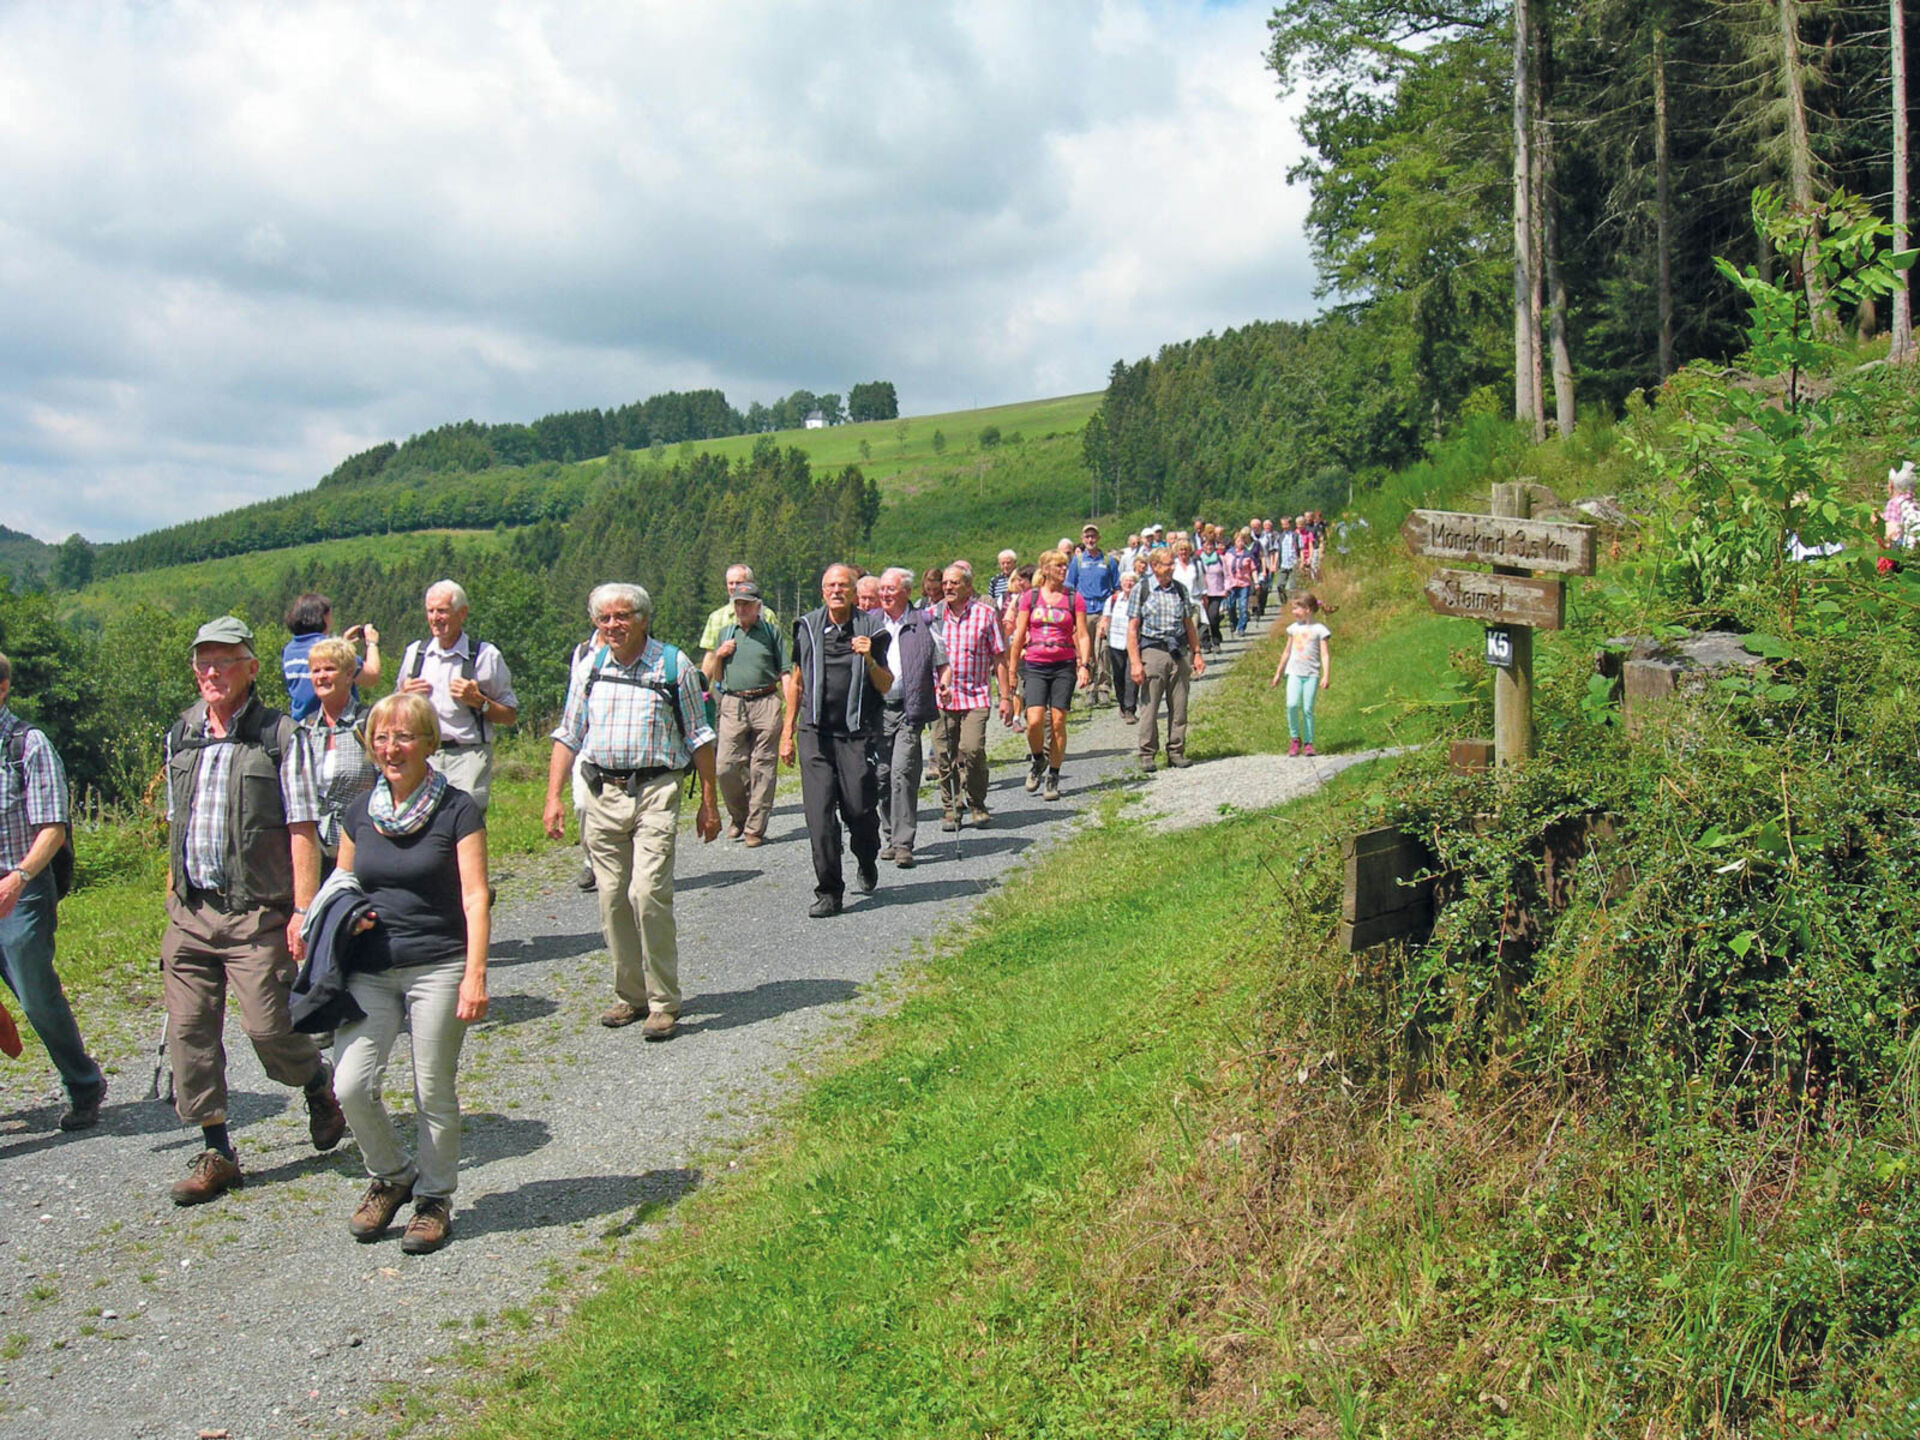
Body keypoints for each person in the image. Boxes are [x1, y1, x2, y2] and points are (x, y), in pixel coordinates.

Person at [160, 616, 345, 1206]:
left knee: (269, 1028)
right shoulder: (182, 732)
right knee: (189, 1033)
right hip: (192, 910)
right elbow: (175, 820)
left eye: (224, 661)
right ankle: (218, 1149)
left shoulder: (279, 735)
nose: (211, 672)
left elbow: (301, 826)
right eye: (203, 662)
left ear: (251, 669)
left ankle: (316, 1082)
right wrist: (172, 894)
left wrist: (302, 909)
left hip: (257, 913)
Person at [329, 691, 489, 1254]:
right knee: (349, 1084)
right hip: (369, 970)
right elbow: (343, 886)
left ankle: (435, 1199)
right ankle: (393, 1175)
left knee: (432, 1089)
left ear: (428, 743)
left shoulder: (457, 809)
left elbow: (475, 896)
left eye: (403, 737)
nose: (390, 748)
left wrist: (475, 974)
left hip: (438, 965)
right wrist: (312, 923)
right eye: (380, 737)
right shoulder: (356, 813)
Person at [546, 584, 720, 1038]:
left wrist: (709, 803)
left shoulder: (671, 665)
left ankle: (664, 1001)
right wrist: (552, 799)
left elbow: (699, 736)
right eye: (604, 619)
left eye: (622, 617)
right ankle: (630, 996)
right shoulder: (591, 666)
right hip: (601, 793)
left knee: (647, 893)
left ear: (643, 618)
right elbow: (569, 732)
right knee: (611, 898)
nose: (612, 626)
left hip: (656, 790)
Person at [0, 652, 106, 1132]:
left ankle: (83, 1082)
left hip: (21, 885)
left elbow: (53, 829)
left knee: (35, 994)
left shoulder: (28, 745)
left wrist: (18, 878)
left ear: (3, 688)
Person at [779, 565, 894, 916]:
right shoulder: (807, 628)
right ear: (822, 591)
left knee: (859, 809)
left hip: (856, 734)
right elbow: (796, 682)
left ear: (854, 591)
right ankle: (829, 891)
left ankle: (866, 854)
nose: (836, 591)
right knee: (819, 815)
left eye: (843, 585)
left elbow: (886, 684)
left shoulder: (872, 629)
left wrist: (869, 658)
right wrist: (787, 732)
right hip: (814, 734)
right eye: (830, 585)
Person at [396, 581, 518, 814]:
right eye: (430, 611)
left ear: (462, 614)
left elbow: (510, 715)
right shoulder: (416, 654)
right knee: (422, 826)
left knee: (466, 824)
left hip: (468, 755)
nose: (435, 618)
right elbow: (392, 712)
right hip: (422, 756)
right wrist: (403, 697)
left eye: (442, 611)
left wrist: (479, 701)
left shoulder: (485, 656)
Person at [702, 583, 788, 847]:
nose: (741, 608)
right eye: (738, 604)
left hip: (766, 701)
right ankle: (739, 816)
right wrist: (719, 655)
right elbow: (717, 676)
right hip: (732, 703)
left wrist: (790, 713)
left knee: (762, 766)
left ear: (757, 607)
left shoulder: (772, 633)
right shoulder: (726, 633)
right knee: (726, 765)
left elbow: (785, 670)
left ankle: (755, 828)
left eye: (747, 604)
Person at [874, 567, 947, 869]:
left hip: (909, 708)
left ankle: (904, 843)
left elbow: (941, 658)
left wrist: (945, 682)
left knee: (902, 772)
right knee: (880, 775)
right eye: (882, 590)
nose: (884, 595)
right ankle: (890, 833)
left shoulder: (923, 621)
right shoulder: (872, 623)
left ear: (905, 590)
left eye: (890, 589)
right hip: (877, 711)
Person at [1006, 549, 1090, 801]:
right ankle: (1038, 759)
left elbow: (1083, 634)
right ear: (1045, 569)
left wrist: (1084, 664)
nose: (1063, 570)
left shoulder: (1074, 597)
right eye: (1058, 566)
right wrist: (1011, 670)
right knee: (1034, 721)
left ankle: (1053, 774)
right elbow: (1019, 634)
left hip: (1063, 665)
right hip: (1034, 664)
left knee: (1057, 722)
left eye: (1065, 566)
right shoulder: (1030, 598)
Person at [932, 562, 1007, 829]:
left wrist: (1006, 696)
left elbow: (999, 656)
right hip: (943, 697)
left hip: (975, 696)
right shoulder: (932, 616)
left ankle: (977, 801)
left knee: (973, 750)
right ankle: (951, 806)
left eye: (954, 583)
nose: (948, 587)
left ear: (968, 587)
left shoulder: (985, 614)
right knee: (944, 754)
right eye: (945, 583)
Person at [301, 637, 379, 875]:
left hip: (362, 842)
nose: (322, 676)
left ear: (349, 675)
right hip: (316, 847)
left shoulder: (369, 722)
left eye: (329, 669)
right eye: (316, 670)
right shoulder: (304, 729)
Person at [1128, 548, 1205, 772]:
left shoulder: (1180, 590)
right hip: (1152, 650)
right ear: (1154, 566)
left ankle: (1176, 751)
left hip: (1178, 650)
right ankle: (1147, 753)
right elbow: (1132, 629)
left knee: (1180, 705)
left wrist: (1196, 652)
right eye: (1166, 564)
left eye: (1172, 563)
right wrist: (1135, 662)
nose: (1171, 567)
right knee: (1150, 706)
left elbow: (1188, 623)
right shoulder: (1141, 589)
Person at [281, 593, 381, 724]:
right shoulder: (325, 647)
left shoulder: (289, 650)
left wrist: (343, 644)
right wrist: (371, 643)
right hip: (334, 722)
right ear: (323, 617)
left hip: (300, 723)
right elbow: (371, 676)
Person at [1271, 594, 1334, 757]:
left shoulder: (1320, 630)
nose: (1293, 611)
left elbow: (1325, 655)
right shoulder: (1294, 629)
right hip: (1293, 673)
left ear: (1307, 610)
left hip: (1311, 674)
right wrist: (1278, 672)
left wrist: (1325, 676)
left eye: (1296, 608)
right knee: (1291, 705)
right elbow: (1286, 652)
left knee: (1307, 708)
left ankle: (1308, 743)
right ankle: (1294, 739)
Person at [1065, 524, 1119, 705]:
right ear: (1082, 539)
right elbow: (1070, 586)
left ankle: (1104, 687)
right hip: (1084, 611)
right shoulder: (1077, 562)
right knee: (1087, 651)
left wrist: (1110, 611)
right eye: (1087, 536)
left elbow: (1116, 587)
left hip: (1103, 610)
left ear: (1099, 538)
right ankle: (1089, 687)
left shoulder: (1108, 561)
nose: (1090, 540)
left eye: (1093, 536)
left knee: (1103, 649)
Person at [697, 564, 782, 651]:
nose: (734, 587)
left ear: (751, 584)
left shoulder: (767, 615)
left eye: (738, 583)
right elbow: (709, 657)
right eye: (731, 583)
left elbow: (778, 650)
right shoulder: (716, 618)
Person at [1100, 571, 1140, 725]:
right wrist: (1102, 627)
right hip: (1115, 641)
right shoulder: (1113, 600)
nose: (1128, 584)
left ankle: (1130, 709)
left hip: (1134, 643)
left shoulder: (1140, 600)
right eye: (1125, 581)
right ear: (1121, 584)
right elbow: (1105, 618)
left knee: (1131, 675)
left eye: (1131, 581)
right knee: (1118, 676)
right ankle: (1122, 704)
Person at [1225, 529, 1258, 636]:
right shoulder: (1228, 554)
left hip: (1244, 583)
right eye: (1238, 541)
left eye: (1242, 541)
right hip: (1231, 584)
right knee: (1231, 606)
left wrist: (1256, 582)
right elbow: (1224, 569)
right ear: (1235, 541)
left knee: (1243, 607)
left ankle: (1241, 627)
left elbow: (1253, 569)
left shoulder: (1248, 555)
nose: (1240, 543)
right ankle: (1234, 622)